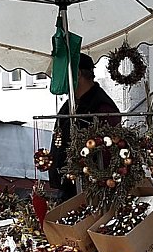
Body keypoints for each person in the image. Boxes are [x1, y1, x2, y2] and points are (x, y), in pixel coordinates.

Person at [48, 53, 121, 201]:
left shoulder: (102, 107)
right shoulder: (70, 105)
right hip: (68, 187)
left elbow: (108, 154)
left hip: (91, 193)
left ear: (78, 74)